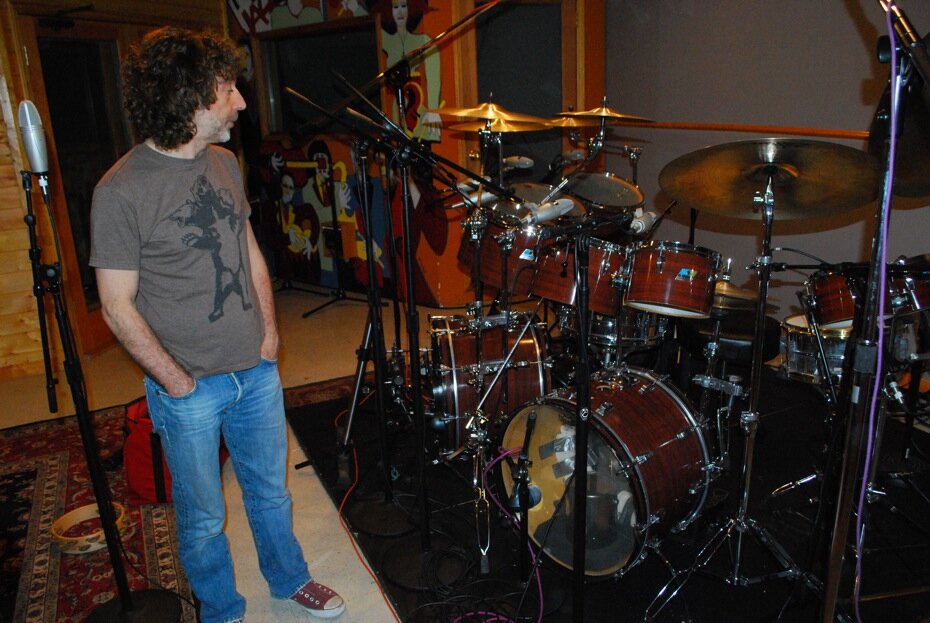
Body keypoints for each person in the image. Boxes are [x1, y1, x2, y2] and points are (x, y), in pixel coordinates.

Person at [89, 26, 345, 622]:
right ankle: (221, 608)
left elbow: (249, 250)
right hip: (189, 388)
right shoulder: (119, 191)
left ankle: (289, 579)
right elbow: (116, 306)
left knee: (272, 494)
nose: (242, 103)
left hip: (255, 368)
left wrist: (270, 334)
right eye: (229, 90)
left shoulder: (225, 162)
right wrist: (176, 382)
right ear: (189, 98)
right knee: (203, 518)